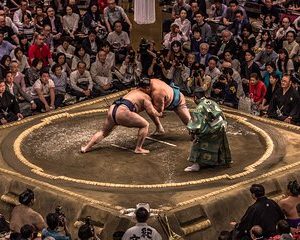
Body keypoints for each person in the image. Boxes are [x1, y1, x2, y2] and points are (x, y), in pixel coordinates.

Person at [81, 84, 163, 154]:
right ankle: (138, 148)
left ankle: (86, 148)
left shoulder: (133, 91)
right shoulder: (145, 96)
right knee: (145, 125)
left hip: (112, 109)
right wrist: (159, 114)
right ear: (147, 88)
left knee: (103, 132)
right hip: (123, 112)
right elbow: (151, 112)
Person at [184, 93, 232, 172]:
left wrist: (193, 134)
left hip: (212, 128)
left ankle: (196, 165)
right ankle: (221, 161)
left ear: (195, 97)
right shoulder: (211, 101)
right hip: (221, 125)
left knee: (198, 142)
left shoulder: (198, 109)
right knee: (218, 143)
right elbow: (221, 113)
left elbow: (197, 125)